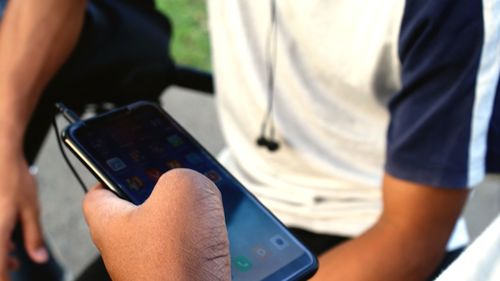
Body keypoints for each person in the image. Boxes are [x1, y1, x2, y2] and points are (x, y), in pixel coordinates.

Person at [1, 0, 499, 280]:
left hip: (370, 228)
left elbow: (411, 234)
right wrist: (4, 145)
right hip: (239, 191)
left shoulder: (455, 10)